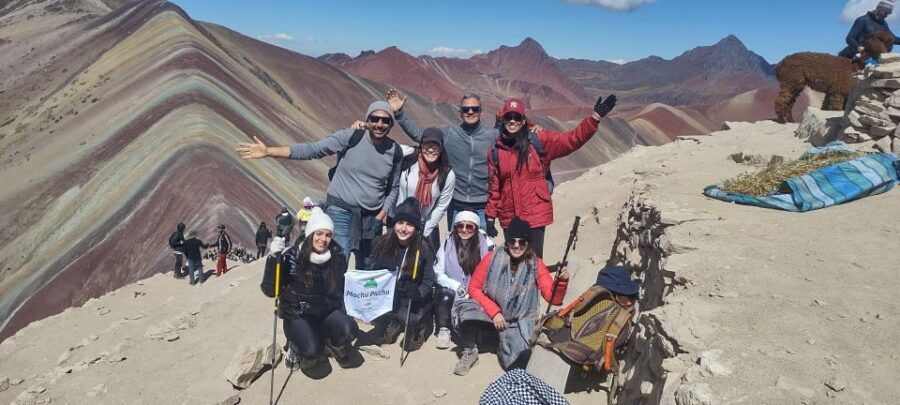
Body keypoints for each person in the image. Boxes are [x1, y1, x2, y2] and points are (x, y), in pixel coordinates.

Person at [236, 101, 403, 267]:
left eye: (385, 120)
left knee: (368, 266)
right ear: (367, 120)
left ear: (391, 124)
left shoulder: (395, 152)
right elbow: (312, 150)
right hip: (340, 211)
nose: (379, 124)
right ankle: (334, 294)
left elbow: (393, 188)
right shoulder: (351, 136)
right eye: (375, 119)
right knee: (336, 263)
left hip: (370, 217)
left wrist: (380, 216)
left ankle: (357, 295)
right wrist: (269, 151)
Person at [486, 96, 616, 257]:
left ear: (524, 120)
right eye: (509, 117)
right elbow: (494, 187)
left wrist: (594, 119)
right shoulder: (496, 150)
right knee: (513, 261)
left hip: (535, 214)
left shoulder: (538, 139)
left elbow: (570, 140)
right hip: (509, 214)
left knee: (534, 262)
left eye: (517, 117)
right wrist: (490, 217)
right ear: (503, 120)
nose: (512, 121)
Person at [451, 216, 568, 375]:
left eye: (522, 242)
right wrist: (495, 313)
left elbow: (553, 298)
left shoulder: (536, 264)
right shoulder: (492, 258)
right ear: (507, 242)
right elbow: (474, 288)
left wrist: (560, 283)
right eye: (512, 241)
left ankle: (498, 341)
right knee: (465, 309)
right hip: (490, 314)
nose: (517, 246)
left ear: (528, 244)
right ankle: (470, 350)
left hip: (518, 320)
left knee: (518, 361)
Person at [388, 89, 498, 230]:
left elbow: (516, 135)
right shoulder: (450, 134)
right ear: (460, 113)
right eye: (465, 109)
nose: (470, 112)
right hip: (456, 203)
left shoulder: (493, 136)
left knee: (482, 248)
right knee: (454, 247)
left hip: (483, 205)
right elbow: (422, 137)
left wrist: (534, 129)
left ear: (481, 111)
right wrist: (400, 115)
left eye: (474, 108)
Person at [264, 207, 358, 371]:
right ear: (310, 234)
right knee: (311, 351)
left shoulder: (337, 257)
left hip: (326, 310)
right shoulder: (292, 257)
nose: (323, 239)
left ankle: (332, 344)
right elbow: (271, 291)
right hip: (298, 313)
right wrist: (273, 259)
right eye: (319, 233)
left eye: (328, 235)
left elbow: (340, 289)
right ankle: (296, 344)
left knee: (349, 330)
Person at [365, 197, 435, 351]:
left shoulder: (422, 249)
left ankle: (418, 327)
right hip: (391, 294)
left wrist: (418, 292)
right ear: (394, 224)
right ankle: (393, 323)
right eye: (400, 223)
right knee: (379, 311)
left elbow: (429, 283)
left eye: (409, 224)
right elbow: (372, 273)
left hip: (413, 297)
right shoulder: (382, 243)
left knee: (412, 317)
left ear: (416, 228)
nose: (403, 229)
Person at [432, 211, 494, 350]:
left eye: (469, 226)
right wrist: (456, 286)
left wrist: (475, 289)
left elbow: (492, 272)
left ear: (476, 228)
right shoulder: (448, 242)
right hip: (455, 291)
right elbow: (438, 271)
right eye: (460, 226)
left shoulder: (486, 244)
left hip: (478, 290)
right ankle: (444, 327)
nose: (464, 230)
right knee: (444, 295)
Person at [395, 127, 455, 249]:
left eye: (436, 146)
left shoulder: (447, 174)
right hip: (400, 223)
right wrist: (364, 129)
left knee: (427, 263)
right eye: (427, 145)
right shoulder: (409, 158)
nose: (431, 150)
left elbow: (441, 207)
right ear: (421, 146)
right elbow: (386, 144)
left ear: (442, 148)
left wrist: (424, 230)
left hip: (425, 225)